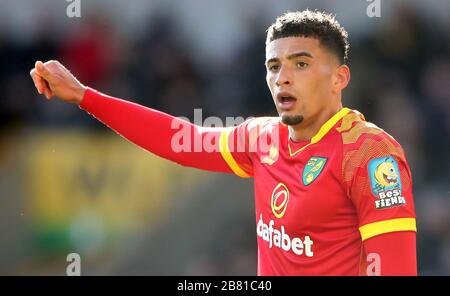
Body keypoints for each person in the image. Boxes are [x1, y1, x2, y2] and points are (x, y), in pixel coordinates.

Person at [29, 10, 417, 276]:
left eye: (300, 64)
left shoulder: (369, 155)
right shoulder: (262, 138)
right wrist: (85, 96)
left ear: (340, 79)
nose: (282, 77)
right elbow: (179, 140)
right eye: (273, 66)